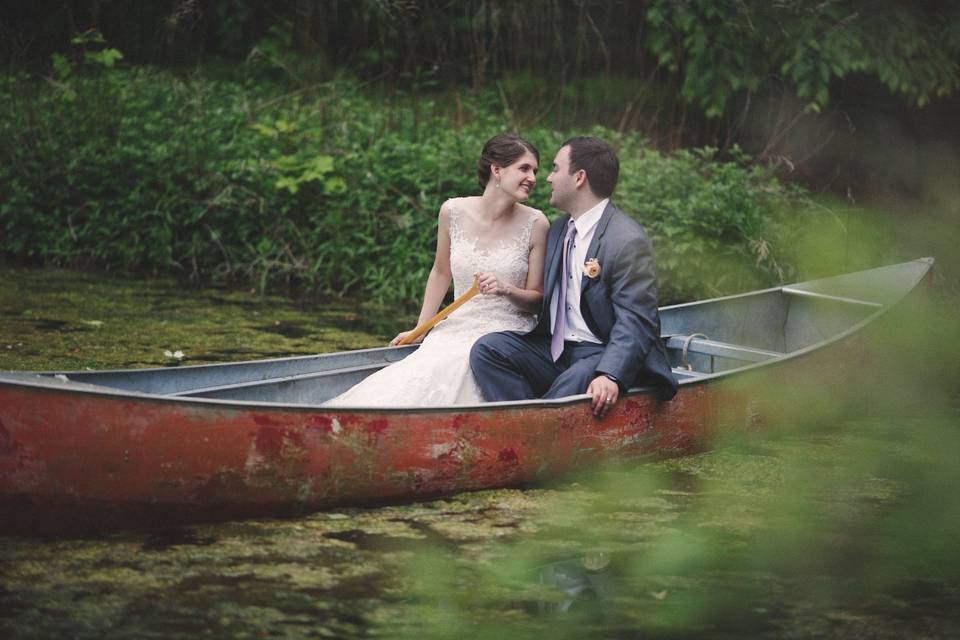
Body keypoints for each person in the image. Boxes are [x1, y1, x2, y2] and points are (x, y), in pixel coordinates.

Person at [325, 133, 549, 407]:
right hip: (456, 327)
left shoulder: (537, 223)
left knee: (460, 365)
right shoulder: (452, 211)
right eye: (524, 168)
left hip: (506, 333)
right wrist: (421, 328)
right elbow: (440, 273)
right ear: (497, 169)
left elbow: (537, 299)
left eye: (535, 171)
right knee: (420, 372)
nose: (533, 178)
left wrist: (506, 289)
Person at [470, 136, 678, 417]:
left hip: (601, 350)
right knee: (488, 350)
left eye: (555, 169)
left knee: (572, 382)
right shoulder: (558, 230)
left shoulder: (626, 240)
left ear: (579, 177)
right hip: (555, 349)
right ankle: (527, 426)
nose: (547, 179)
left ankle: (531, 438)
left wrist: (611, 374)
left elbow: (637, 321)